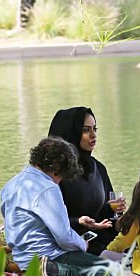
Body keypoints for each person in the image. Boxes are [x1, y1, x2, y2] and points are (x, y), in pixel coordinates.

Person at [0, 136, 116, 276]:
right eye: (62, 175)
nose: (60, 180)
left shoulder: (10, 184)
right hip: (48, 257)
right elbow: (63, 237)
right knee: (113, 273)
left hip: (22, 259)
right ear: (57, 169)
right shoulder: (48, 188)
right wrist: (82, 244)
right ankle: (56, 273)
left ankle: (49, 271)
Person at [47, 106, 125, 255]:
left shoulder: (99, 168)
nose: (93, 135)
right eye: (85, 130)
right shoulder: (55, 173)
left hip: (98, 239)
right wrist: (79, 222)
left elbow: (105, 217)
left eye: (95, 129)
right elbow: (48, 220)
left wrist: (113, 209)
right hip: (68, 244)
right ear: (71, 132)